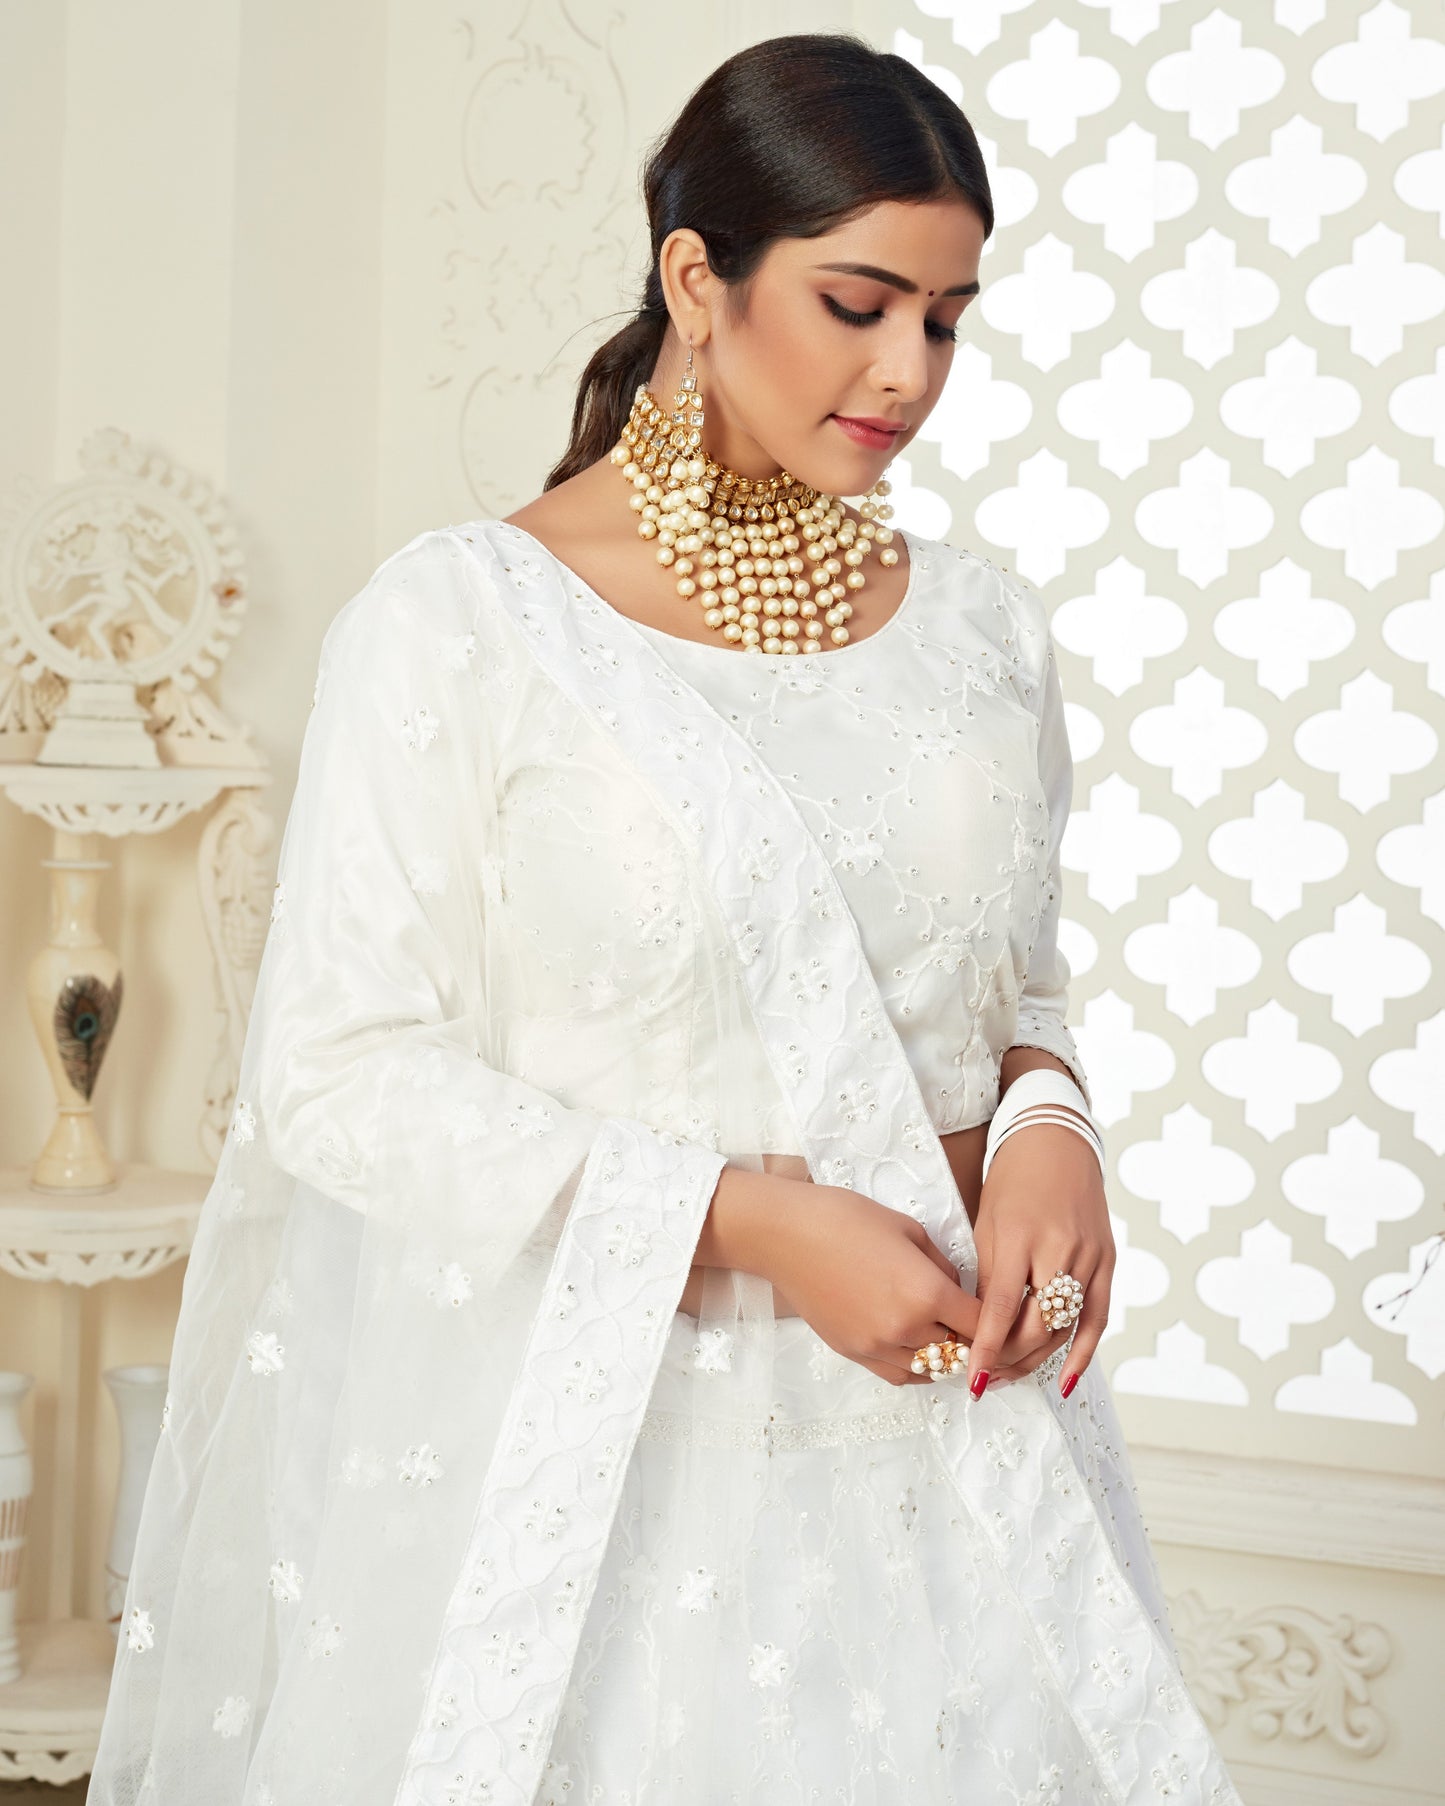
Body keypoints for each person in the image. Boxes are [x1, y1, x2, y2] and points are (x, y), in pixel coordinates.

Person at [88, 31, 1243, 1806]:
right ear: (695, 279)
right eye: (858, 301)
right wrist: (754, 1220)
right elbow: (332, 1071)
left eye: (945, 317)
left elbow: (1010, 974)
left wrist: (1051, 1120)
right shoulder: (466, 625)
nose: (907, 370)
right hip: (614, 1466)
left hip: (964, 1444)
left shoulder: (982, 628)